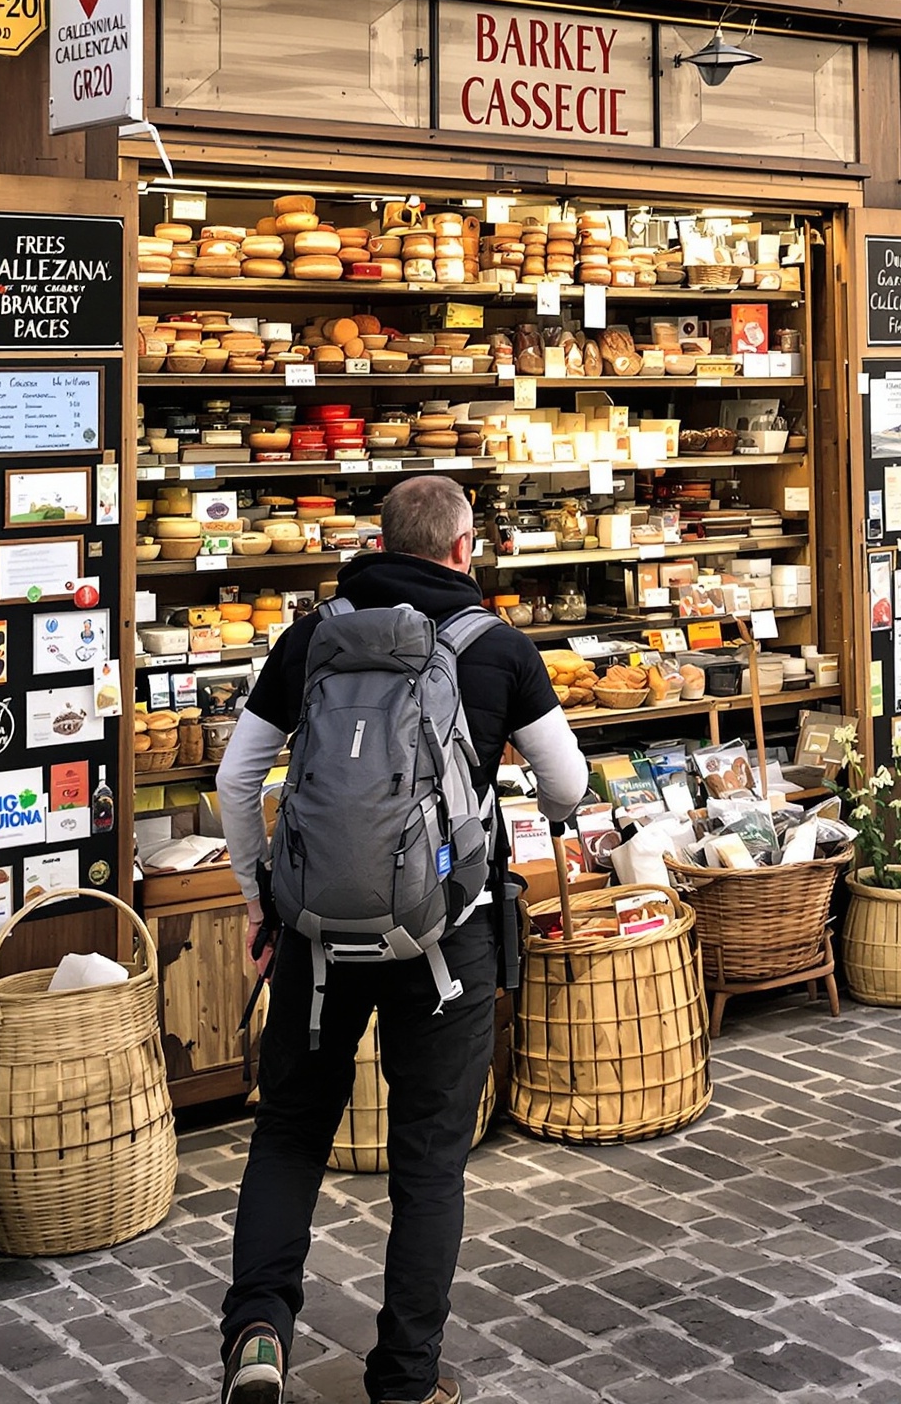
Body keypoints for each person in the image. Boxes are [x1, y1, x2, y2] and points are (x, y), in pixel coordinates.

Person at [216, 474, 588, 1404]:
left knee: (292, 1133)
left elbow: (235, 776)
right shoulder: (498, 646)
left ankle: (259, 1333)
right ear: (464, 549)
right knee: (430, 1160)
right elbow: (568, 786)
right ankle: (405, 1378)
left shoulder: (313, 637)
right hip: (444, 944)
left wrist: (262, 895)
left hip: (311, 940)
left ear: (379, 541)